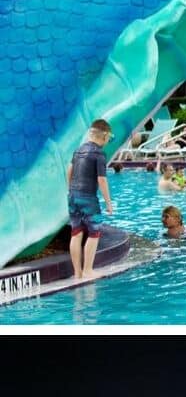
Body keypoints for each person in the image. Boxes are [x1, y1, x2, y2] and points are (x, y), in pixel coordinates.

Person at [65, 118, 115, 282]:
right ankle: (87, 270)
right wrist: (108, 203)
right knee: (94, 232)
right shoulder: (99, 153)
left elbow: (69, 170)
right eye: (109, 138)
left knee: (76, 232)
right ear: (105, 136)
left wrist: (70, 190)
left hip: (73, 196)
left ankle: (77, 273)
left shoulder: (78, 150)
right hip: (88, 198)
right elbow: (102, 180)